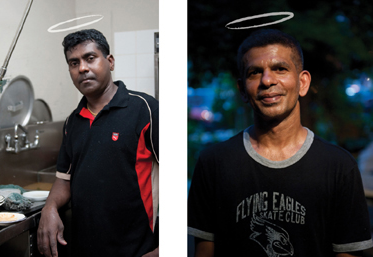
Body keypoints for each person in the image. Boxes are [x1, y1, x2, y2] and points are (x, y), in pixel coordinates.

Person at [187, 29, 373, 257]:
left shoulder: (339, 167)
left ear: (302, 82)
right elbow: (205, 250)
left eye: (280, 69)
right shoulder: (213, 163)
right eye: (255, 72)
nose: (267, 80)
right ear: (242, 89)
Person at [37, 29, 159, 257]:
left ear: (110, 62)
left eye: (90, 58)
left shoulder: (145, 109)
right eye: (74, 63)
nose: (82, 68)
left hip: (137, 249)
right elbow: (64, 180)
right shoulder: (72, 122)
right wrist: (50, 207)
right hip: (84, 247)